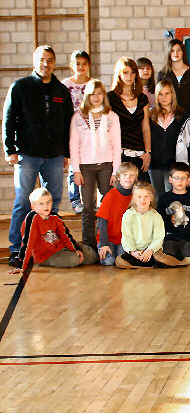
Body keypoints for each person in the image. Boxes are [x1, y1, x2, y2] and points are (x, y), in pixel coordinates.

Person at [3, 45, 73, 267]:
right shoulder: (20, 87)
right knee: (23, 202)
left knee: (53, 203)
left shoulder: (61, 91)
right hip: (27, 154)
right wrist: (10, 149)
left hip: (54, 156)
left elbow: (67, 124)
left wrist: (66, 153)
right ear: (35, 61)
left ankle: (49, 246)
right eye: (42, 60)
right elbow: (8, 119)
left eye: (50, 60)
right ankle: (17, 249)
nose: (46, 64)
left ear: (54, 63)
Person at [69, 79, 121, 252]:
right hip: (85, 167)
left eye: (99, 94)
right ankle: (89, 246)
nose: (96, 97)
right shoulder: (78, 117)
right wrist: (76, 170)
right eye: (92, 94)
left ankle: (105, 242)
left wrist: (115, 171)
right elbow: (74, 146)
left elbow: (117, 146)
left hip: (106, 166)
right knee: (87, 208)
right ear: (87, 96)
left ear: (104, 96)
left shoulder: (112, 117)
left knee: (107, 205)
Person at [9, 188, 93, 274]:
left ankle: (72, 253)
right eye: (41, 204)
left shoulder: (55, 217)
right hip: (46, 255)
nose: (45, 206)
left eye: (48, 202)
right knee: (74, 259)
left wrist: (75, 249)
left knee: (91, 256)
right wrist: (21, 265)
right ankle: (70, 256)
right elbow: (27, 243)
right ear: (33, 206)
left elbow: (65, 236)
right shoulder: (32, 218)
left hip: (61, 247)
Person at [107, 57, 152, 183]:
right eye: (125, 73)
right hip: (119, 154)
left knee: (143, 189)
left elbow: (146, 127)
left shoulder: (142, 98)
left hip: (139, 154)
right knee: (121, 191)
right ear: (119, 75)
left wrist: (148, 153)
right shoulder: (110, 98)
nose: (129, 76)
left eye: (132, 72)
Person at [62, 50, 92, 214]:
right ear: (72, 65)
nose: (81, 67)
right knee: (74, 165)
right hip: (71, 130)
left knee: (90, 165)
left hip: (90, 132)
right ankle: (75, 200)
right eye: (77, 64)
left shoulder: (93, 84)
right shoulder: (65, 85)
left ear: (89, 65)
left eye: (84, 63)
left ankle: (90, 200)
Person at [156, 162, 190, 265]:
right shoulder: (164, 199)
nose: (180, 181)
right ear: (170, 179)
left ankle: (182, 260)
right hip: (170, 238)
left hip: (189, 238)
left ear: (188, 180)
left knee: (187, 251)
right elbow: (159, 222)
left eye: (183, 178)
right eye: (176, 178)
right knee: (168, 253)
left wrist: (187, 218)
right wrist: (169, 220)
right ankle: (182, 261)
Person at [149, 80, 188, 197]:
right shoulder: (151, 115)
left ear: (172, 94)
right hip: (154, 164)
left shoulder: (182, 115)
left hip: (173, 165)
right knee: (156, 196)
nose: (164, 97)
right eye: (160, 94)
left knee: (171, 196)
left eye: (167, 93)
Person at [115, 182, 166, 269]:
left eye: (146, 196)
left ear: (151, 198)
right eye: (139, 197)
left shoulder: (156, 216)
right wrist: (132, 252)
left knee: (161, 259)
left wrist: (150, 250)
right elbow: (127, 237)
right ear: (134, 198)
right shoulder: (128, 215)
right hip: (136, 251)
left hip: (151, 251)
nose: (143, 200)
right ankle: (146, 266)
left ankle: (146, 264)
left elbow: (158, 237)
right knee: (119, 261)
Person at [96, 162, 138, 266]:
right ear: (118, 177)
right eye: (125, 174)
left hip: (124, 240)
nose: (128, 178)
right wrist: (104, 244)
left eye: (131, 175)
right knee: (108, 261)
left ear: (135, 178)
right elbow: (102, 221)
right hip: (107, 239)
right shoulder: (110, 195)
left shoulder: (136, 197)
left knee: (122, 260)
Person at [157, 39, 190, 113]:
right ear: (169, 53)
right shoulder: (163, 74)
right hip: (169, 114)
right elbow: (158, 96)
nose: (176, 53)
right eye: (172, 51)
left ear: (183, 52)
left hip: (188, 113)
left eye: (179, 50)